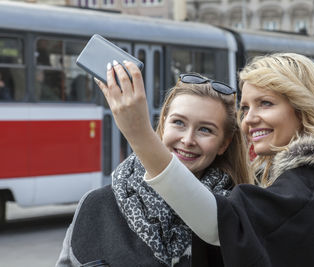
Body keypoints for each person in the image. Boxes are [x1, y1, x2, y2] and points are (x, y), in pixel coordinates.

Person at [96, 53, 314, 267]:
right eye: (245, 107)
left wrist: (138, 134)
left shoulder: (304, 191)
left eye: (266, 103)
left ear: (302, 109)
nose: (249, 119)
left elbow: (218, 223)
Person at [56, 68, 252, 267]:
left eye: (205, 130)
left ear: (224, 144)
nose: (187, 139)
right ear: (164, 123)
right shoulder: (97, 205)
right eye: (179, 123)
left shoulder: (237, 220)